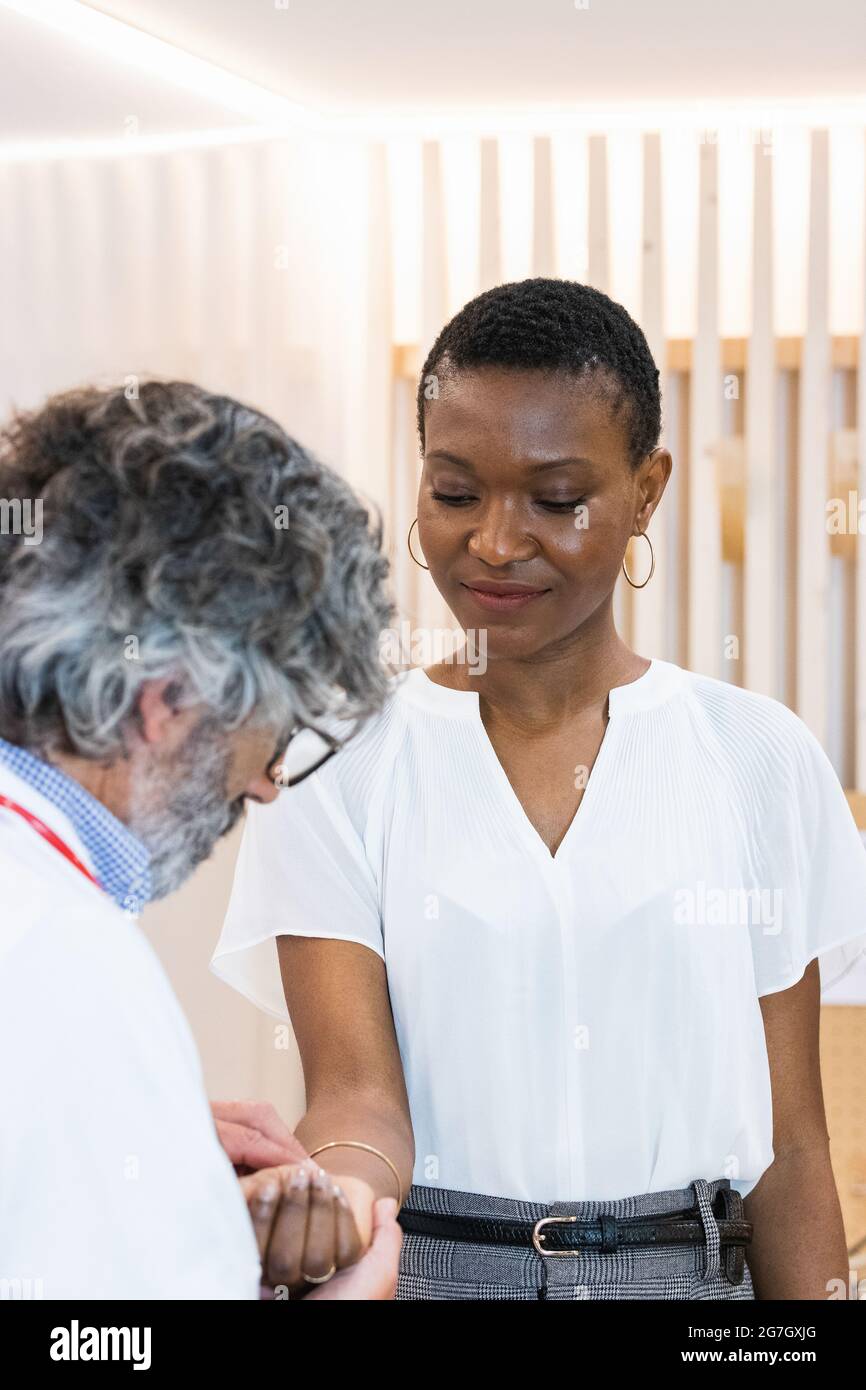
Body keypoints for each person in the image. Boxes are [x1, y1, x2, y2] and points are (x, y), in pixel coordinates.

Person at [212, 278, 866, 1300]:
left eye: (556, 500)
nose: (496, 542)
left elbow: (791, 1146)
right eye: (454, 493)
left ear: (645, 491)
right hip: (426, 1275)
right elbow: (355, 1099)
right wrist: (328, 1195)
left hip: (695, 1286)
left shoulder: (759, 757)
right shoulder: (335, 762)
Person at [0, 381, 402, 1299]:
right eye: (276, 730)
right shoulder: (63, 958)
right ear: (170, 701)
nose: (266, 782)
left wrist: (148, 1164)